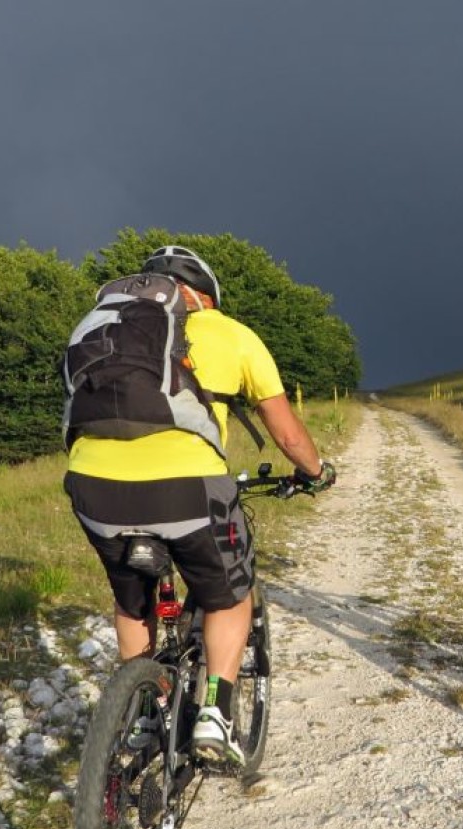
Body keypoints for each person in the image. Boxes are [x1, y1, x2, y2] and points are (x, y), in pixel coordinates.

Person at [64, 245, 335, 765]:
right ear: (205, 296)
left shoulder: (102, 327)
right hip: (187, 485)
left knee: (133, 602)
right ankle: (216, 712)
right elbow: (285, 430)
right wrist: (315, 472)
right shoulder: (230, 332)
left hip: (92, 485)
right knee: (229, 596)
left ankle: (143, 713)